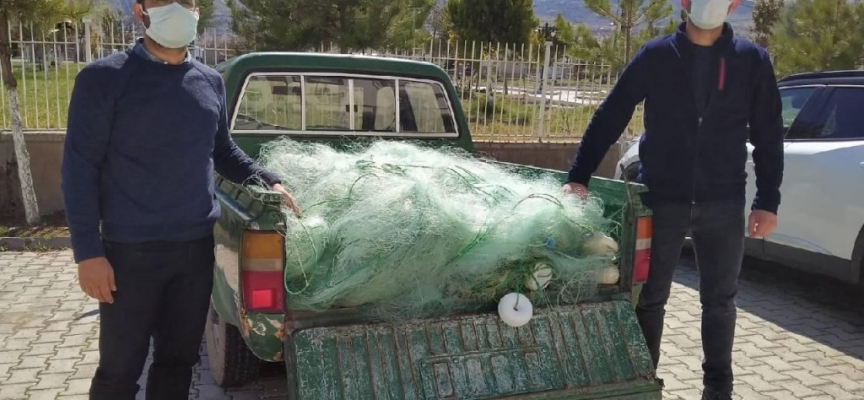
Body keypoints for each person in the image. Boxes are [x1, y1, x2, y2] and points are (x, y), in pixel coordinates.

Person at [60, 0, 300, 399]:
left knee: (177, 363)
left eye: (186, 1)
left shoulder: (209, 81)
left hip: (193, 252)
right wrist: (88, 254)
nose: (177, 8)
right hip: (129, 253)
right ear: (140, 11)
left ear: (197, 10)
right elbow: (79, 168)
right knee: (119, 370)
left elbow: (222, 151)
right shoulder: (104, 79)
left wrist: (268, 181)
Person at [561, 0, 784, 399]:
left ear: (733, 4)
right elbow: (612, 114)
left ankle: (718, 390)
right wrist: (579, 176)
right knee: (650, 300)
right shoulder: (656, 56)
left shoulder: (751, 61)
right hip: (661, 200)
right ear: (684, 2)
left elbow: (769, 133)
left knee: (720, 303)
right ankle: (643, 384)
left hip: (723, 203)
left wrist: (768, 199)